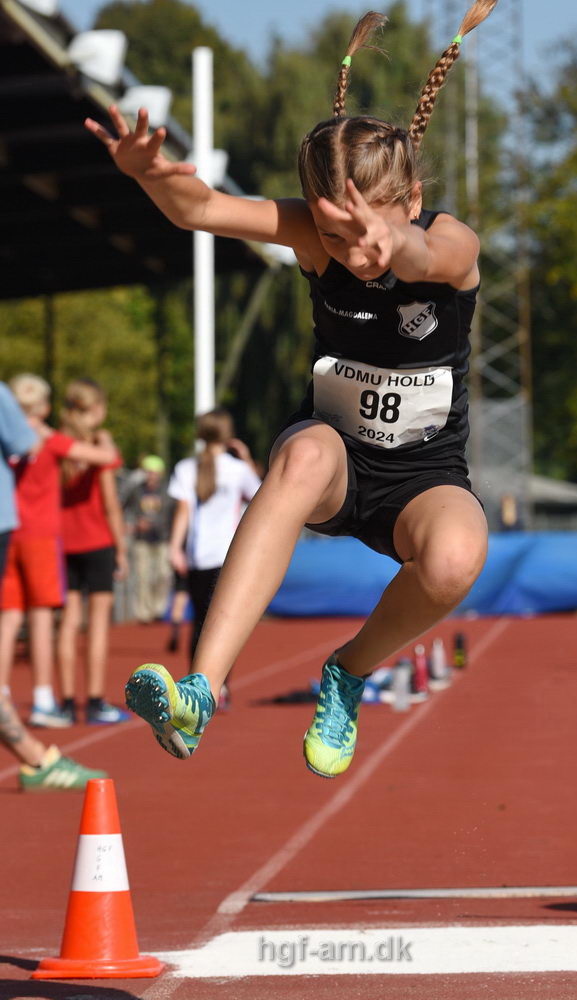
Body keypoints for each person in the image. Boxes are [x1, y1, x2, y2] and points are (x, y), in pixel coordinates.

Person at [87, 0, 494, 777]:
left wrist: (394, 241)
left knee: (455, 561)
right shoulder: (315, 236)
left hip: (423, 475)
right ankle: (200, 691)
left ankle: (347, 672)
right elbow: (198, 207)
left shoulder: (448, 242)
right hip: (334, 455)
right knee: (303, 455)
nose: (353, 253)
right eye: (334, 236)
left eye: (366, 233)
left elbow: (426, 257)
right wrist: (147, 176)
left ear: (410, 202)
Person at [0, 381, 107, 789]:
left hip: (13, 533)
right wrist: (99, 438)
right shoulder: (46, 439)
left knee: (10, 617)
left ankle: (5, 692)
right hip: (39, 535)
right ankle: (44, 698)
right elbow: (107, 458)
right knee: (42, 616)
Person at [57, 378, 130, 724]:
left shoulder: (58, 445)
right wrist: (121, 549)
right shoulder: (99, 448)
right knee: (97, 623)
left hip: (62, 543)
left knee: (68, 623)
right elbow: (111, 504)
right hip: (97, 541)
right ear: (96, 409)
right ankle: (96, 701)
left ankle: (66, 702)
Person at [167, 409, 261, 675]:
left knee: (199, 623)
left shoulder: (185, 468)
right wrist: (247, 459)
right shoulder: (238, 469)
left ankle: (196, 683)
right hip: (228, 556)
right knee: (223, 625)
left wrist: (174, 548)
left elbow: (183, 512)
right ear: (228, 434)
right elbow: (261, 497)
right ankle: (221, 685)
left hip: (197, 555)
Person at [123, 455, 173, 624]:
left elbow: (174, 513)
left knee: (163, 575)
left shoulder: (168, 491)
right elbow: (122, 506)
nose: (151, 476)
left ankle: (158, 609)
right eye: (148, 472)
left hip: (163, 538)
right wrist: (132, 524)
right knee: (142, 576)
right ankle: (143, 613)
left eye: (154, 472)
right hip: (141, 539)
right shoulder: (136, 490)